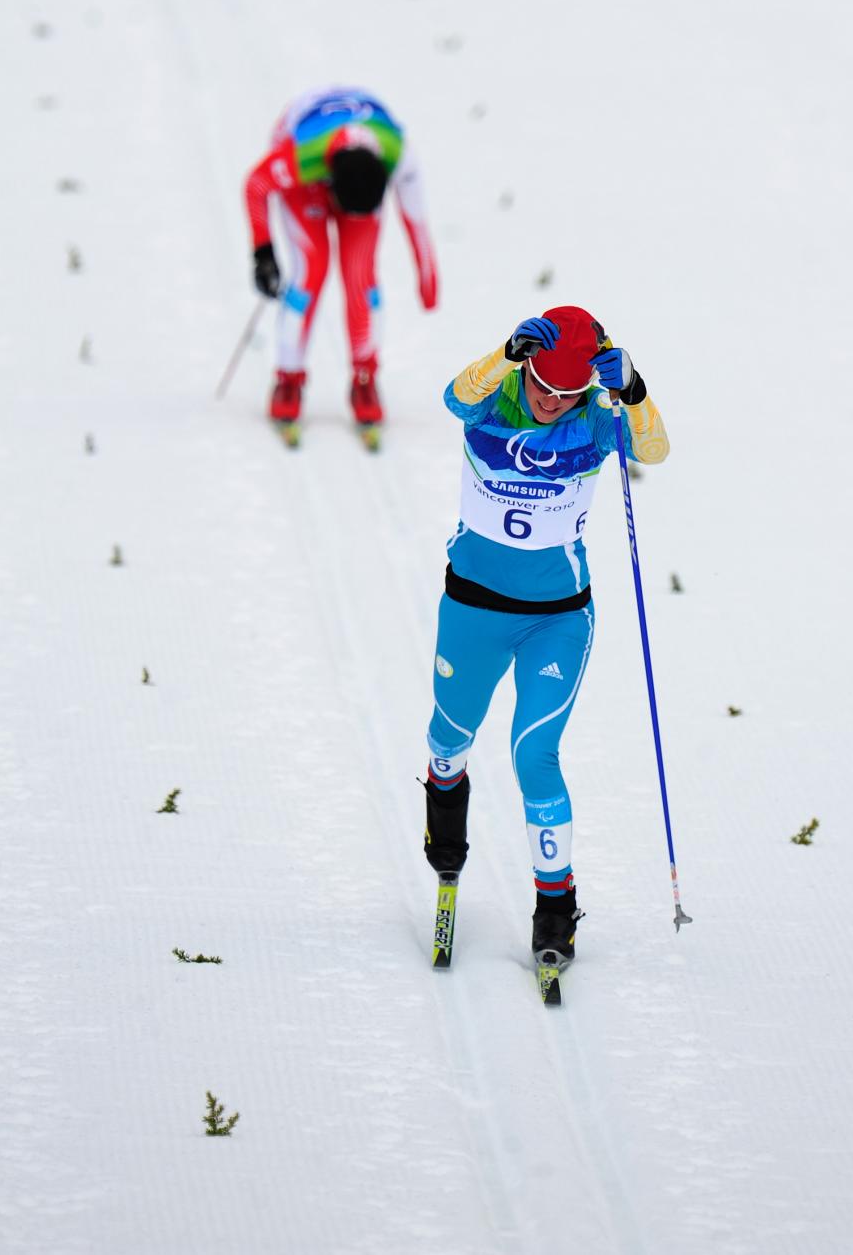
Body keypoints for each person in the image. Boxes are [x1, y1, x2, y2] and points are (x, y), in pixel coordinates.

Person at [423, 307, 669, 966]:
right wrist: (504, 354)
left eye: (569, 393)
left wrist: (635, 391)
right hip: (474, 608)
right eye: (543, 388)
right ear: (526, 367)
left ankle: (555, 908)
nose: (554, 403)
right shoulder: (492, 404)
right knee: (449, 741)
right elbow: (454, 396)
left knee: (534, 754)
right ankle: (446, 847)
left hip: (558, 618)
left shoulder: (595, 419)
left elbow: (654, 450)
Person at [244, 88, 438, 432]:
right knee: (310, 272)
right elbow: (257, 186)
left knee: (360, 277)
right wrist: (264, 253)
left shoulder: (399, 154)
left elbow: (415, 215)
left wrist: (427, 275)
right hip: (310, 175)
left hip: (356, 165)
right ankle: (288, 377)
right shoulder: (301, 157)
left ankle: (365, 377)